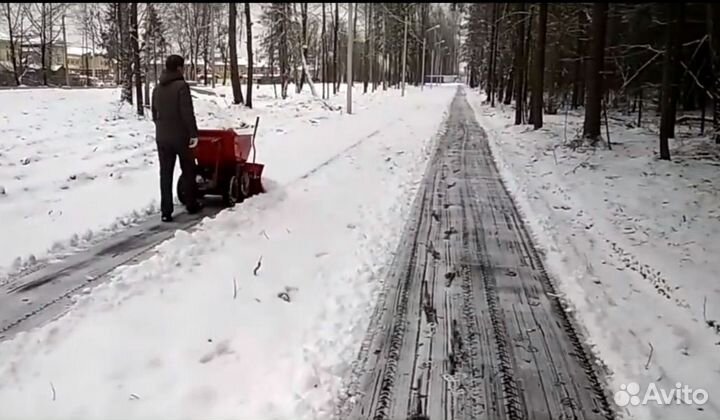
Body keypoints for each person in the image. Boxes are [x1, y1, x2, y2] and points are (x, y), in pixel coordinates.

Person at [151, 54, 203, 222]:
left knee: (165, 174)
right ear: (180, 68)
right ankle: (191, 204)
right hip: (181, 137)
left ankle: (166, 211)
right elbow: (187, 113)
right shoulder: (182, 86)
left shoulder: (156, 89)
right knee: (188, 170)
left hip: (162, 137)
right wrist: (193, 134)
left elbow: (154, 114)